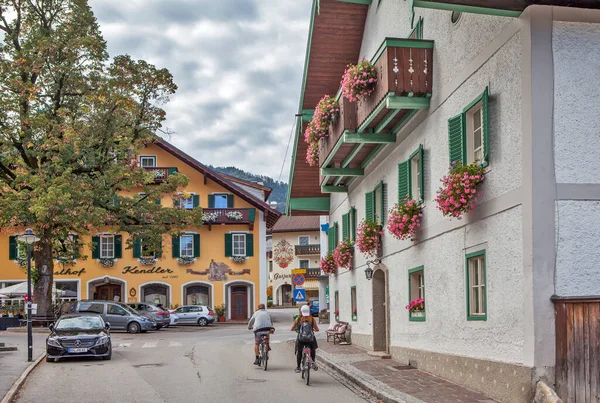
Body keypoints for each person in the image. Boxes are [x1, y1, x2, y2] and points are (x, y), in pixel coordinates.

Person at [290, 304, 319, 373]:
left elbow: (292, 328)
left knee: (299, 351)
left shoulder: (298, 319)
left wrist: (294, 329)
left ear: (301, 312)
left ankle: (298, 367)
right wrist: (315, 330)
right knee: (313, 349)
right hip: (310, 339)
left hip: (301, 339)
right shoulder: (312, 319)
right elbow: (316, 329)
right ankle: (313, 362)